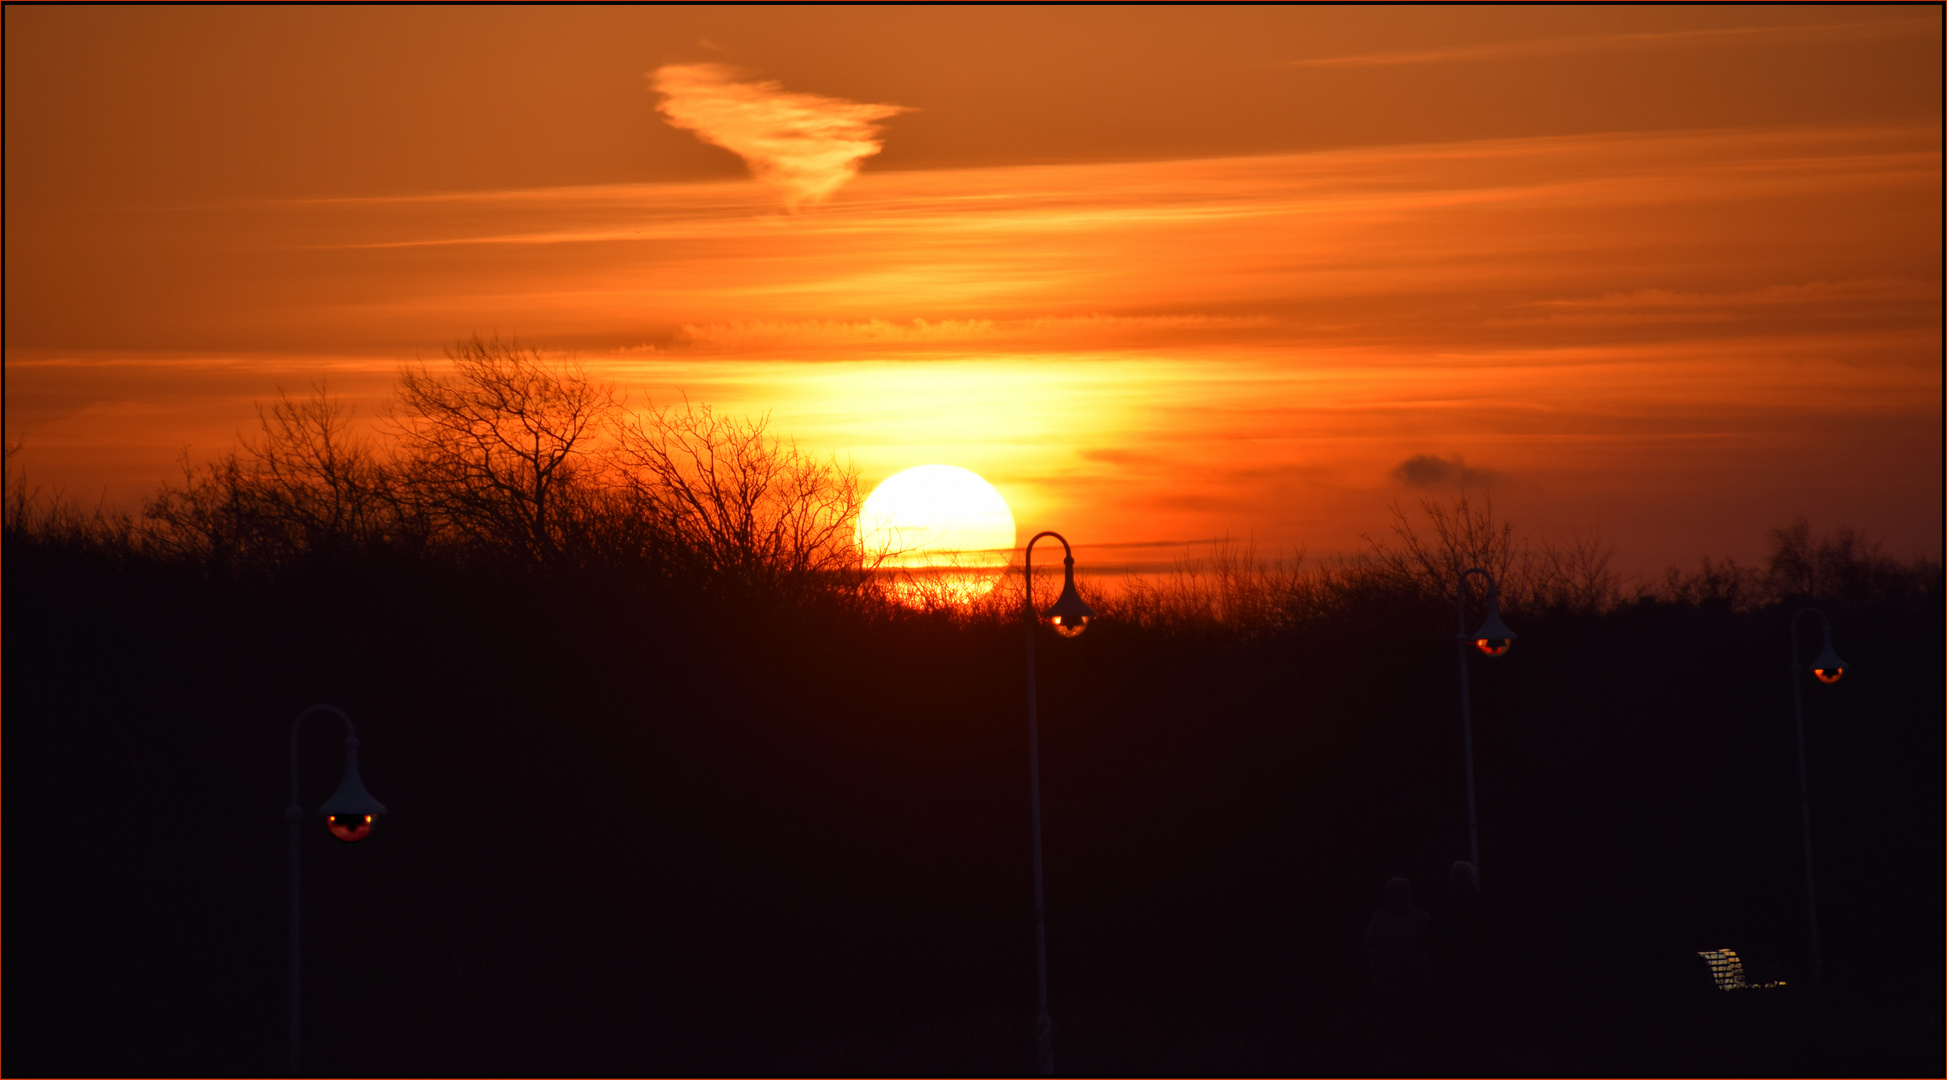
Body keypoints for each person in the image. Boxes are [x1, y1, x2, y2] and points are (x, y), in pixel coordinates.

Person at [1366, 876, 1432, 991]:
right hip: (1401, 978)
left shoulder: (1380, 917)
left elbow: (1370, 944)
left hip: (1401, 978)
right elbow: (1370, 944)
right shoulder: (1421, 916)